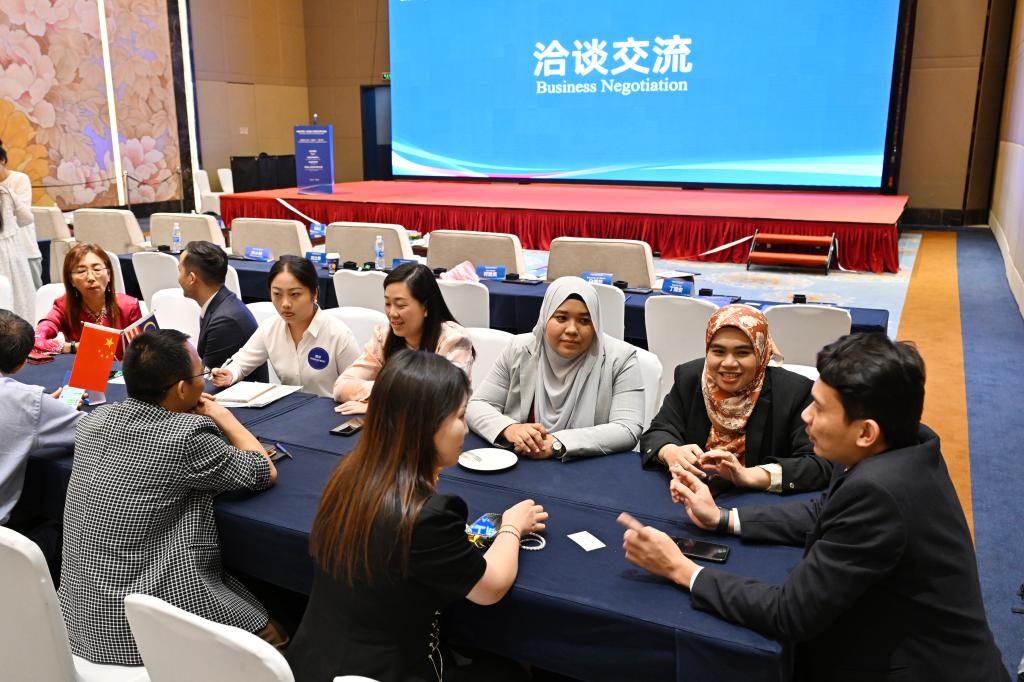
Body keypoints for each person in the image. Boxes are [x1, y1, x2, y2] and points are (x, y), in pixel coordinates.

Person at [620, 334, 1008, 682]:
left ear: (865, 431)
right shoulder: (902, 442)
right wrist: (722, 518)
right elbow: (824, 509)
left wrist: (680, 569)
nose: (805, 416)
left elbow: (789, 613)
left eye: (819, 408)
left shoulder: (880, 490)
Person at [287, 350, 547, 682]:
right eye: (460, 416)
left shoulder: (348, 475)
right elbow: (490, 588)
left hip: (312, 663)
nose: (466, 429)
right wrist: (512, 526)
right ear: (425, 426)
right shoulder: (429, 515)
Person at [58, 329, 282, 666]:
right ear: (181, 389)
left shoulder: (93, 421)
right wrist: (223, 416)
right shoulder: (187, 437)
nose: (204, 380)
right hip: (138, 634)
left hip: (78, 622)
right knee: (275, 639)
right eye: (200, 374)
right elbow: (263, 470)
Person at [640, 304, 832, 493]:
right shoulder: (690, 377)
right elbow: (658, 431)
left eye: (742, 353)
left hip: (757, 500)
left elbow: (819, 464)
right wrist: (670, 451)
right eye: (718, 351)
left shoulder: (794, 392)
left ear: (762, 353)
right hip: (691, 491)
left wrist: (750, 476)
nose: (729, 363)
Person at [466, 276, 644, 461]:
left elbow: (627, 428)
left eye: (584, 321)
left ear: (596, 325)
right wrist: (511, 428)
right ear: (545, 318)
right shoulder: (519, 348)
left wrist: (557, 443)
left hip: (586, 466)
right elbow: (477, 405)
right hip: (520, 461)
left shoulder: (621, 359)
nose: (572, 329)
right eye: (561, 318)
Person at [333, 262, 474, 415]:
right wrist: (389, 396)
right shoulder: (384, 337)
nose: (392, 313)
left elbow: (446, 400)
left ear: (426, 307)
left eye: (400, 305)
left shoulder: (453, 340)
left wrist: (382, 404)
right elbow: (341, 387)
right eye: (388, 303)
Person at [211, 255, 358, 398]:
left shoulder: (338, 334)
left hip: (331, 410)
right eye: (277, 294)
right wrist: (230, 374)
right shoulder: (270, 328)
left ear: (315, 293)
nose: (285, 304)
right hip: (289, 408)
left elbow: (358, 386)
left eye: (294, 294)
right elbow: (240, 363)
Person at [0, 309, 82, 528]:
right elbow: (89, 430)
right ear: (21, 364)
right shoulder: (27, 401)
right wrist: (45, 410)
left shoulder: (28, 402)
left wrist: (44, 408)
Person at [177, 240, 268, 382]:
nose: (178, 277)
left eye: (180, 270)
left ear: (192, 278)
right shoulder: (219, 303)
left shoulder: (225, 321)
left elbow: (205, 381)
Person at [34, 243, 143, 359]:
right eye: (81, 271)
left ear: (109, 274)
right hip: (81, 367)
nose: (91, 278)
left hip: (122, 369)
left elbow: (144, 352)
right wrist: (73, 347)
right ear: (71, 280)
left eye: (97, 269)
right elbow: (36, 340)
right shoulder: (63, 306)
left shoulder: (129, 306)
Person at [0, 140, 37, 323]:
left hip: (24, 247)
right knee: (20, 296)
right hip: (13, 250)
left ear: (3, 161)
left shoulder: (18, 180)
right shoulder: (5, 193)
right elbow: (26, 218)